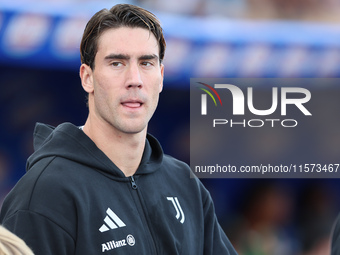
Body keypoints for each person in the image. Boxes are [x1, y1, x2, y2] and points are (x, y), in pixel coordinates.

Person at [0, 4, 238, 255]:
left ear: (161, 76)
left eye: (146, 63)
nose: (134, 79)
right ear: (87, 77)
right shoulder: (44, 193)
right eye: (117, 63)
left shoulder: (184, 184)